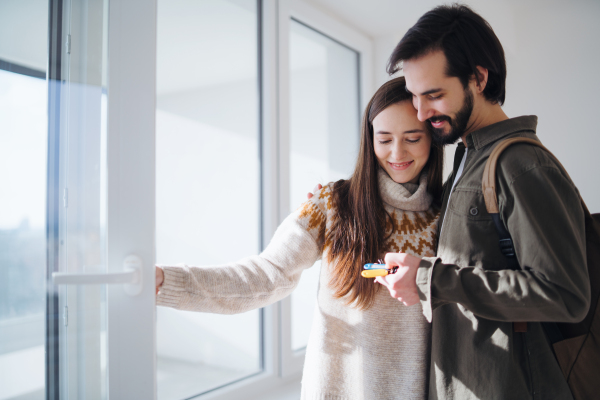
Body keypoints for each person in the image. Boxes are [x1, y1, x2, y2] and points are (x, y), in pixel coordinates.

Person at [155, 76, 444, 399]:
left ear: (432, 139)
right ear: (370, 139)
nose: (397, 152)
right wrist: (168, 281)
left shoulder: (447, 217)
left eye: (412, 138)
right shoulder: (333, 203)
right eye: (384, 139)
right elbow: (266, 276)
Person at [373, 5, 590, 400]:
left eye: (434, 95)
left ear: (478, 77)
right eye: (414, 96)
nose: (421, 113)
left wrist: (430, 278)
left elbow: (565, 295)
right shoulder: (469, 157)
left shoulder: (520, 165)